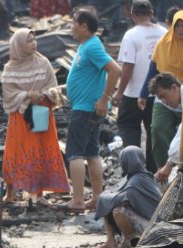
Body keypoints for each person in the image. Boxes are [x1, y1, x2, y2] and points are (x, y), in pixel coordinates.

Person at [0, 28, 70, 204]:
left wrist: (43, 94)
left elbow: (53, 86)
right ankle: (10, 193)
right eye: (29, 41)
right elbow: (8, 94)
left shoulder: (43, 62)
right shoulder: (10, 68)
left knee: (40, 151)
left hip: (40, 112)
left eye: (34, 39)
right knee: (15, 151)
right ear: (19, 45)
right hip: (19, 118)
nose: (34, 44)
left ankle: (38, 194)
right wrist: (28, 95)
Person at [63, 7, 121, 213]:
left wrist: (104, 99)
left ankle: (78, 200)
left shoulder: (92, 46)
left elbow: (115, 70)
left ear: (84, 26)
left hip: (86, 108)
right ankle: (97, 198)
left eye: (73, 23)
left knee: (75, 154)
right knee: (91, 153)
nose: (71, 27)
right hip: (87, 107)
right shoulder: (86, 45)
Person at [138, 10, 183, 169]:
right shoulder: (163, 44)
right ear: (172, 27)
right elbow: (152, 71)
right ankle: (162, 171)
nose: (181, 29)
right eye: (177, 26)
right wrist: (143, 94)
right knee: (158, 130)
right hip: (165, 92)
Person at [113, 1, 167, 171]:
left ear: (133, 14)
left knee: (129, 128)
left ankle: (134, 170)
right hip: (159, 93)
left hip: (134, 94)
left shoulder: (131, 35)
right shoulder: (164, 33)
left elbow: (128, 67)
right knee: (153, 131)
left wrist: (119, 92)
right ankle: (151, 171)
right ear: (151, 13)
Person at [94, 146, 162, 248]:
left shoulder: (139, 178)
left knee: (118, 210)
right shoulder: (132, 176)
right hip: (146, 219)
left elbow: (124, 200)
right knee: (107, 202)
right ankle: (110, 241)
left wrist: (105, 198)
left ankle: (130, 245)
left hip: (154, 226)